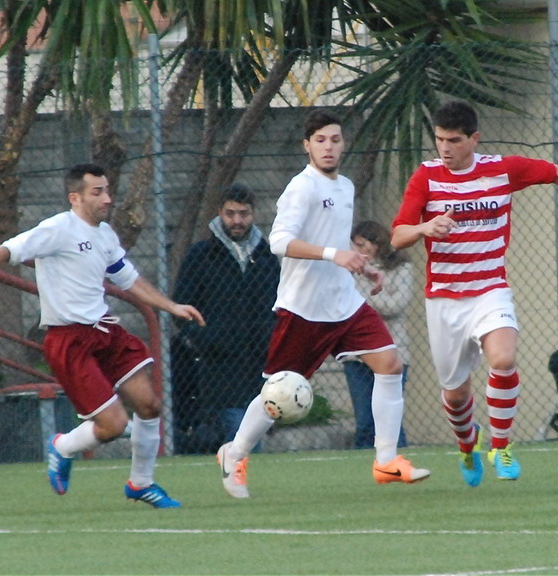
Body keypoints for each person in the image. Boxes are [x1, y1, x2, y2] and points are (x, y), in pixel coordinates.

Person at [391, 100, 558, 487]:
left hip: (490, 289)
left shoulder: (501, 169)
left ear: (474, 139)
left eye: (454, 140)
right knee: (456, 397)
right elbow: (397, 236)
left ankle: (501, 446)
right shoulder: (426, 178)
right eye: (440, 139)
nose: (445, 148)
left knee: (504, 358)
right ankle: (468, 443)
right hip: (444, 299)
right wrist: (424, 228)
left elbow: (555, 172)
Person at [0, 163, 204, 508]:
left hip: (105, 331)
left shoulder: (106, 235)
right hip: (69, 341)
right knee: (112, 426)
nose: (107, 198)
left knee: (149, 404)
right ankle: (63, 446)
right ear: (75, 197)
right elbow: (10, 249)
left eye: (107, 191)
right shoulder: (57, 229)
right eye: (97, 192)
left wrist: (171, 306)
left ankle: (141, 484)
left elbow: (128, 279)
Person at [216, 109, 430, 499]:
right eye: (320, 140)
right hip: (304, 310)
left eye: (334, 139)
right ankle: (235, 453)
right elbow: (279, 241)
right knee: (276, 394)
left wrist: (365, 267)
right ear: (307, 146)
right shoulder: (302, 188)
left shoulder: (345, 187)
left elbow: (334, 240)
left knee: (390, 364)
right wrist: (335, 255)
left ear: (343, 144)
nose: (328, 147)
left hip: (345, 304)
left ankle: (386, 461)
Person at [171, 183, 280, 454]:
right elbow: (181, 307)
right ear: (220, 212)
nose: (237, 221)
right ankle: (239, 474)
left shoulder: (266, 256)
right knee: (240, 432)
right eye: (230, 214)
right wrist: (206, 340)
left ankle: (238, 473)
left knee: (253, 432)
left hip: (259, 366)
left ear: (253, 214)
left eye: (243, 214)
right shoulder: (201, 255)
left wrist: (271, 342)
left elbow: (280, 305)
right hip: (218, 369)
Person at [342, 220, 415, 449]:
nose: (357, 250)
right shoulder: (348, 268)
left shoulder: (401, 268)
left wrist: (362, 291)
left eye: (362, 245)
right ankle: (365, 461)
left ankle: (396, 458)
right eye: (354, 245)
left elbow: (395, 305)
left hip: (392, 350)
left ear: (377, 244)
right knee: (365, 420)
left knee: (389, 418)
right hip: (356, 353)